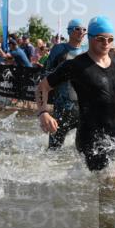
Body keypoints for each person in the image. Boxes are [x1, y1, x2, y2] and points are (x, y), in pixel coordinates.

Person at [36, 15, 115, 171]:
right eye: (101, 39)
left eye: (110, 39)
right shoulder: (76, 65)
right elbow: (42, 87)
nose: (106, 43)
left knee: (113, 187)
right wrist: (43, 112)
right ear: (90, 38)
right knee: (113, 185)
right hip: (89, 140)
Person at [43, 19, 89, 149]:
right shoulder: (59, 49)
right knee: (53, 150)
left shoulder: (88, 50)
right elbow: (45, 75)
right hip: (62, 107)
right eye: (77, 29)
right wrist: (44, 111)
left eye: (84, 29)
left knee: (83, 150)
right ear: (69, 31)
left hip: (83, 108)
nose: (81, 32)